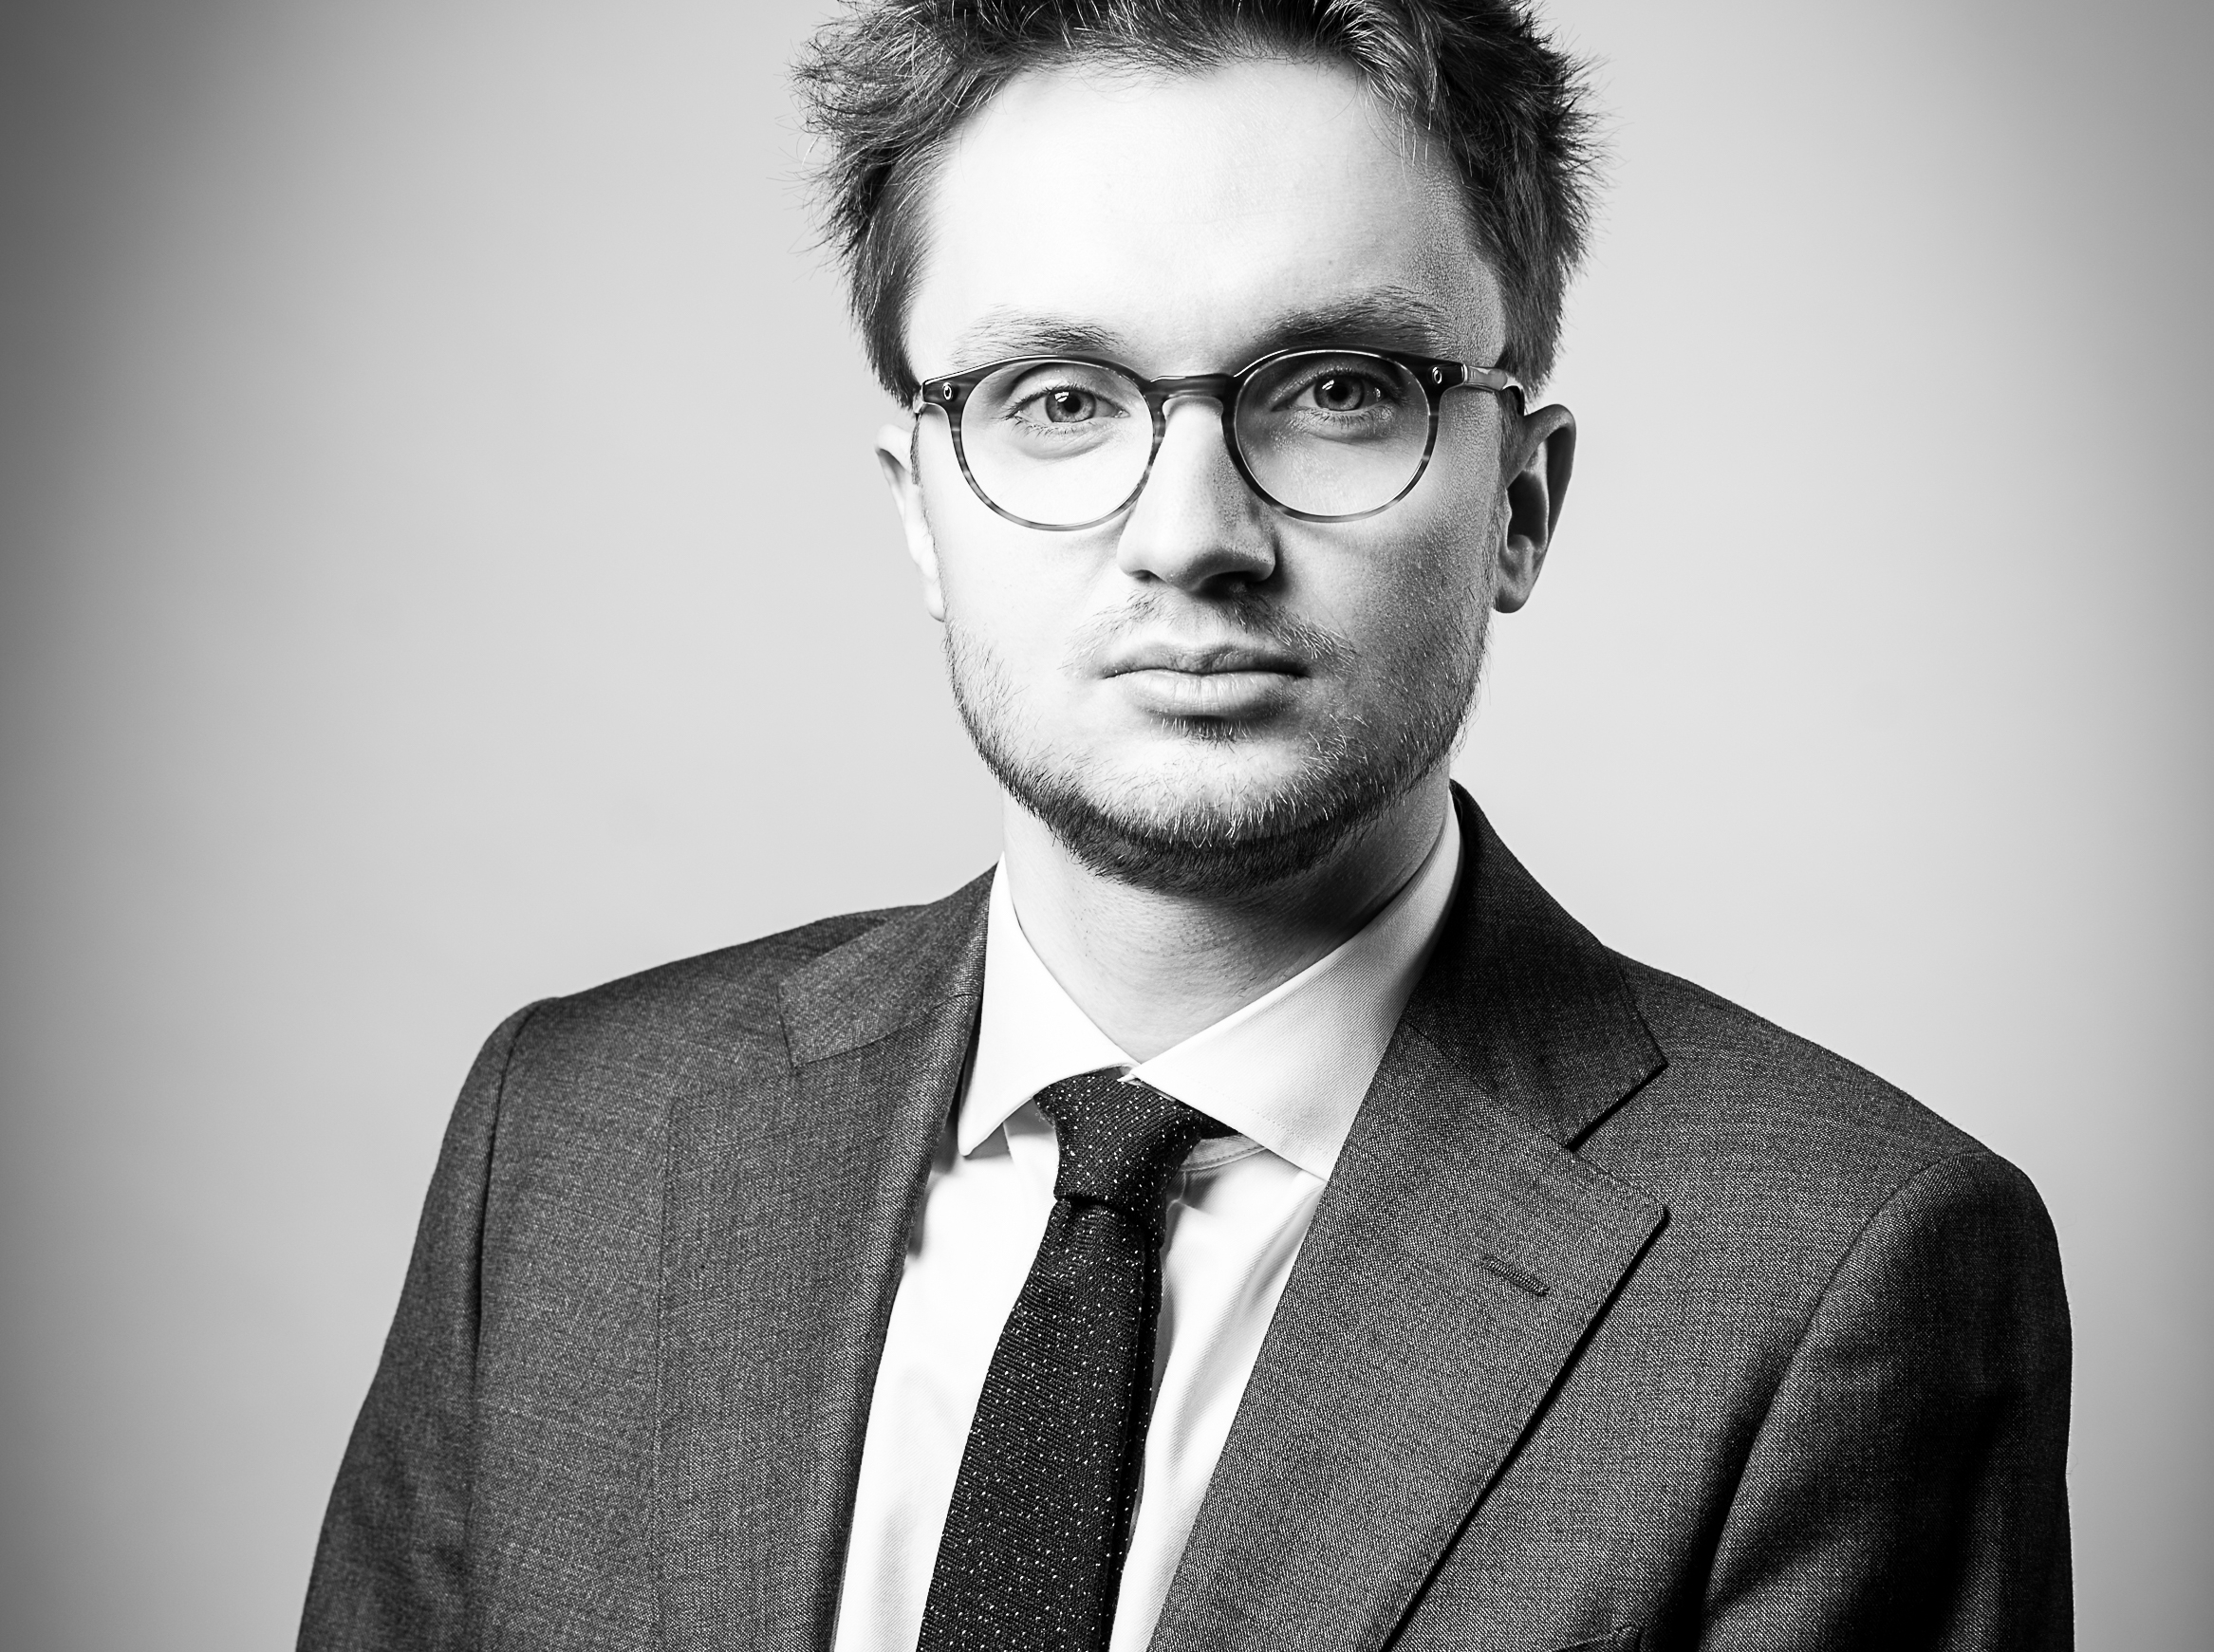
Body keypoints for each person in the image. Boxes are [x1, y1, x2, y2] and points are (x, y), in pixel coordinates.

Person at [298, 3, 2073, 1649]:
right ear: (921, 511)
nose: (1189, 534)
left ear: (1519, 506)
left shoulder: (1839, 1269)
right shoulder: (567, 1143)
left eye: (1337, 387)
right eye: (1058, 401)